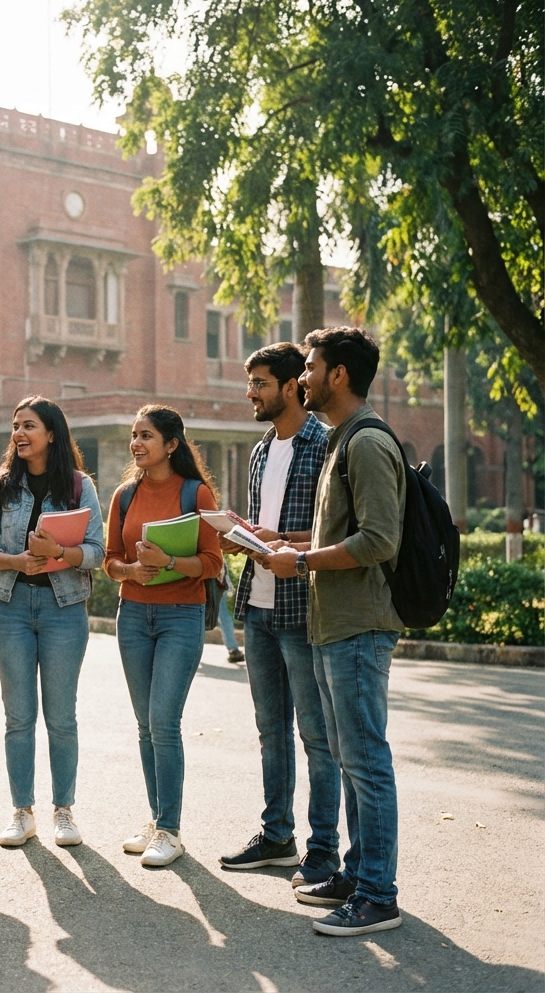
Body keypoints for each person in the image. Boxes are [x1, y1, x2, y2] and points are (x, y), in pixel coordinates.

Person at [263, 327, 405, 936]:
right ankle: (354, 873)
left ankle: (378, 895)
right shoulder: (341, 440)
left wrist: (299, 562)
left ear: (339, 375)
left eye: (313, 367)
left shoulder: (367, 442)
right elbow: (336, 536)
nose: (304, 377)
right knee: (350, 759)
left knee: (366, 761)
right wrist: (282, 543)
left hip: (359, 627)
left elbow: (379, 540)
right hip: (332, 625)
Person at [216, 343, 341, 893]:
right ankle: (276, 836)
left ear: (292, 385)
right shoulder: (262, 449)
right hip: (259, 607)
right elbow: (268, 527)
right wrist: (245, 536)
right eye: (251, 383)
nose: (252, 393)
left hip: (302, 608)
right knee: (271, 732)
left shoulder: (326, 444)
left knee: (317, 734)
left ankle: (323, 851)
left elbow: (339, 534)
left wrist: (280, 541)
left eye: (261, 383)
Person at [0, 396, 105, 848]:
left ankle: (63, 811)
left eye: (28, 425)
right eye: (15, 426)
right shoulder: (2, 486)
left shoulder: (78, 486)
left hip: (63, 611)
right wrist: (16, 561)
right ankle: (22, 811)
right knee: (18, 717)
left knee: (61, 716)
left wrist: (59, 555)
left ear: (52, 433)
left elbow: (97, 552)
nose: (19, 434)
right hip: (9, 608)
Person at [104, 404, 222, 867]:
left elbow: (213, 563)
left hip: (181, 617)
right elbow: (110, 560)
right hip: (132, 615)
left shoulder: (197, 494)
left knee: (163, 723)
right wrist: (132, 569)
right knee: (144, 726)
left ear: (171, 445)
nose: (137, 443)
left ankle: (170, 830)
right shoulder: (124, 497)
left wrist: (169, 563)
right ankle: (157, 820)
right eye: (134, 435)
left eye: (147, 436)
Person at [216, 561, 243, 663]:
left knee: (191, 614)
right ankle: (233, 649)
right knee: (223, 616)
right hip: (216, 572)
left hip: (200, 572)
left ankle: (185, 651)